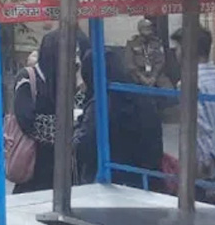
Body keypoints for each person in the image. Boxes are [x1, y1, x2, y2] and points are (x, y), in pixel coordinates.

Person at [12, 27, 90, 194]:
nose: (75, 60)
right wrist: (66, 126)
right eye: (71, 54)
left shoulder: (68, 79)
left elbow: (82, 113)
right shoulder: (28, 78)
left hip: (66, 168)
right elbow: (27, 121)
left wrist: (79, 82)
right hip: (35, 166)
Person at [75, 49, 163, 190]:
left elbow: (84, 145)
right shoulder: (140, 94)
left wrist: (76, 128)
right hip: (147, 180)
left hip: (111, 182)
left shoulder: (102, 101)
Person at [171, 27, 215, 184]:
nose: (175, 53)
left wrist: (204, 163)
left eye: (177, 48)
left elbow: (201, 127)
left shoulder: (188, 83)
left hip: (208, 163)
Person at [125, 18, 171, 88]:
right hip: (138, 74)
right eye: (145, 28)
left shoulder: (156, 43)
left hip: (155, 73)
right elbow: (130, 63)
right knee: (130, 85)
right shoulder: (132, 43)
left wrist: (154, 76)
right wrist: (141, 76)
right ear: (140, 30)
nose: (148, 31)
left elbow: (160, 61)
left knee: (168, 87)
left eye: (149, 28)